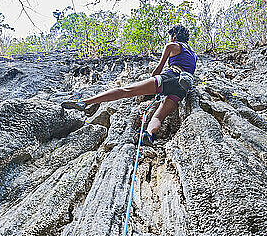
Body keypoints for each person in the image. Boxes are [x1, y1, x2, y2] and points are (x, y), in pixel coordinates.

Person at [61, 24, 197, 146]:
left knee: (125, 90)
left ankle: (85, 102)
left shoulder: (172, 46)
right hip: (182, 89)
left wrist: (153, 85)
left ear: (174, 36)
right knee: (157, 117)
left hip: (170, 77)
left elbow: (157, 71)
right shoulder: (194, 55)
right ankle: (148, 134)